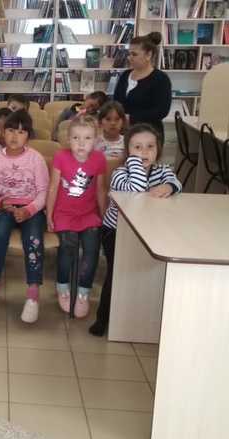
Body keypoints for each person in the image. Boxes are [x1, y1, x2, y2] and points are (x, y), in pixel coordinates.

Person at [89, 123, 181, 336]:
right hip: (116, 230)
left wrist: (169, 186)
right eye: (137, 147)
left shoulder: (162, 171)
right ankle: (103, 318)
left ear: (158, 149)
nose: (144, 152)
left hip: (148, 231)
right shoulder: (120, 173)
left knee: (148, 273)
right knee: (117, 272)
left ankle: (139, 318)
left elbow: (176, 182)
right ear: (127, 151)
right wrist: (134, 162)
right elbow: (137, 188)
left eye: (150, 146)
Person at [0, 110, 49, 321]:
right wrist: (0, 202)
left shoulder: (36, 159)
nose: (14, 136)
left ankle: (33, 294)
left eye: (21, 132)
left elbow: (43, 192)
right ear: (3, 132)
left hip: (31, 209)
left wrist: (29, 210)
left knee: (33, 238)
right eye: (10, 130)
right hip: (3, 207)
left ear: (28, 135)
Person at [45, 116, 107, 319]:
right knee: (68, 247)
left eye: (87, 138)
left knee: (91, 249)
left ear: (95, 140)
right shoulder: (60, 157)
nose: (81, 143)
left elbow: (100, 190)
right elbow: (53, 188)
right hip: (64, 214)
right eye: (76, 138)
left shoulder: (99, 159)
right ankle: (63, 286)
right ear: (68, 139)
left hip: (88, 214)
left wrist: (104, 216)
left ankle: (83, 291)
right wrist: (49, 214)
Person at [113, 32, 172, 141]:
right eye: (129, 54)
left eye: (134, 54)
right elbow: (116, 102)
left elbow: (161, 111)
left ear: (148, 55)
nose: (129, 58)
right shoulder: (125, 75)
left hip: (149, 134)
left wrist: (131, 118)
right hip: (124, 133)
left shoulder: (160, 79)